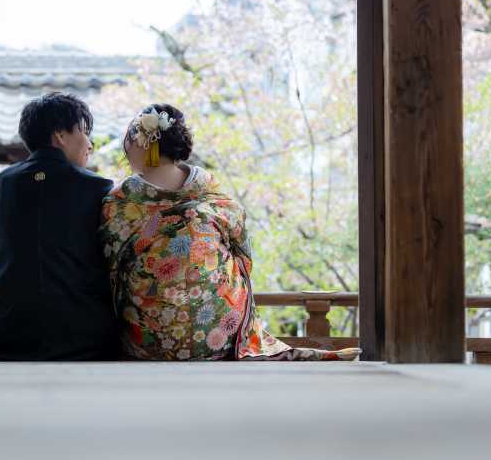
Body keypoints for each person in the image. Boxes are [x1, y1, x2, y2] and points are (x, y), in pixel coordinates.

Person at [98, 104, 361, 361]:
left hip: (147, 340)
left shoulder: (121, 200)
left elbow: (108, 265)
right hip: (216, 333)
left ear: (142, 143)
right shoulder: (210, 189)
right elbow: (242, 252)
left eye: (128, 142)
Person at [0, 92, 118, 361]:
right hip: (80, 343)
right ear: (61, 135)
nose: (90, 145)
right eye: (85, 133)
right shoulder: (98, 188)